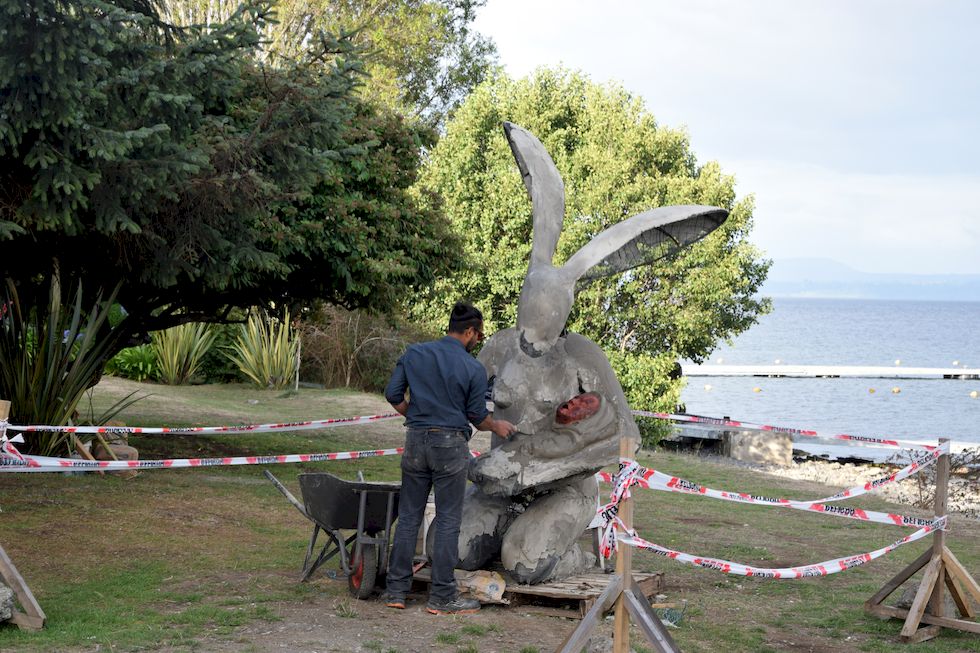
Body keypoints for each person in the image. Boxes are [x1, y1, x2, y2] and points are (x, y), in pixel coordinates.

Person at [383, 301, 516, 615]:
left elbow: (392, 393)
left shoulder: (415, 353)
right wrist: (496, 425)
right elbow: (476, 415)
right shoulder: (472, 368)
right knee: (447, 521)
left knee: (409, 518)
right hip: (450, 447)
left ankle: (396, 591)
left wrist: (414, 415)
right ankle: (442, 597)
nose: (477, 341)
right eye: (478, 335)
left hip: (415, 442)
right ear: (469, 331)